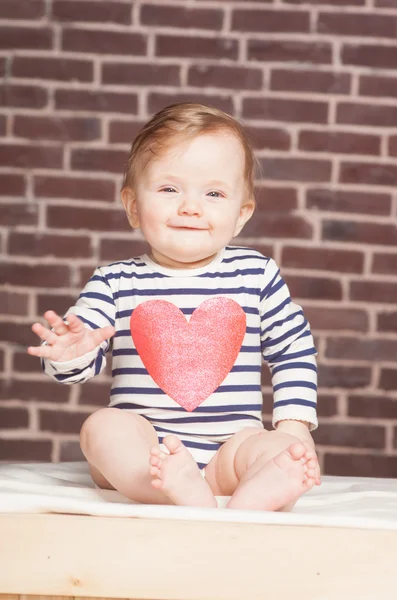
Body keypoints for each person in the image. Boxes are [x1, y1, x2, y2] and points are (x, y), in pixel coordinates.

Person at [28, 103, 320, 511]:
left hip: (229, 450)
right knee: (103, 428)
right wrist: (71, 352)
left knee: (275, 449)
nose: (190, 207)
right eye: (169, 189)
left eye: (214, 193)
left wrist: (294, 425)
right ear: (132, 206)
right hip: (147, 450)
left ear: (241, 214)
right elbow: (81, 362)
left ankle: (253, 494)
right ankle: (170, 484)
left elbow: (293, 348)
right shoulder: (114, 282)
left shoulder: (256, 274)